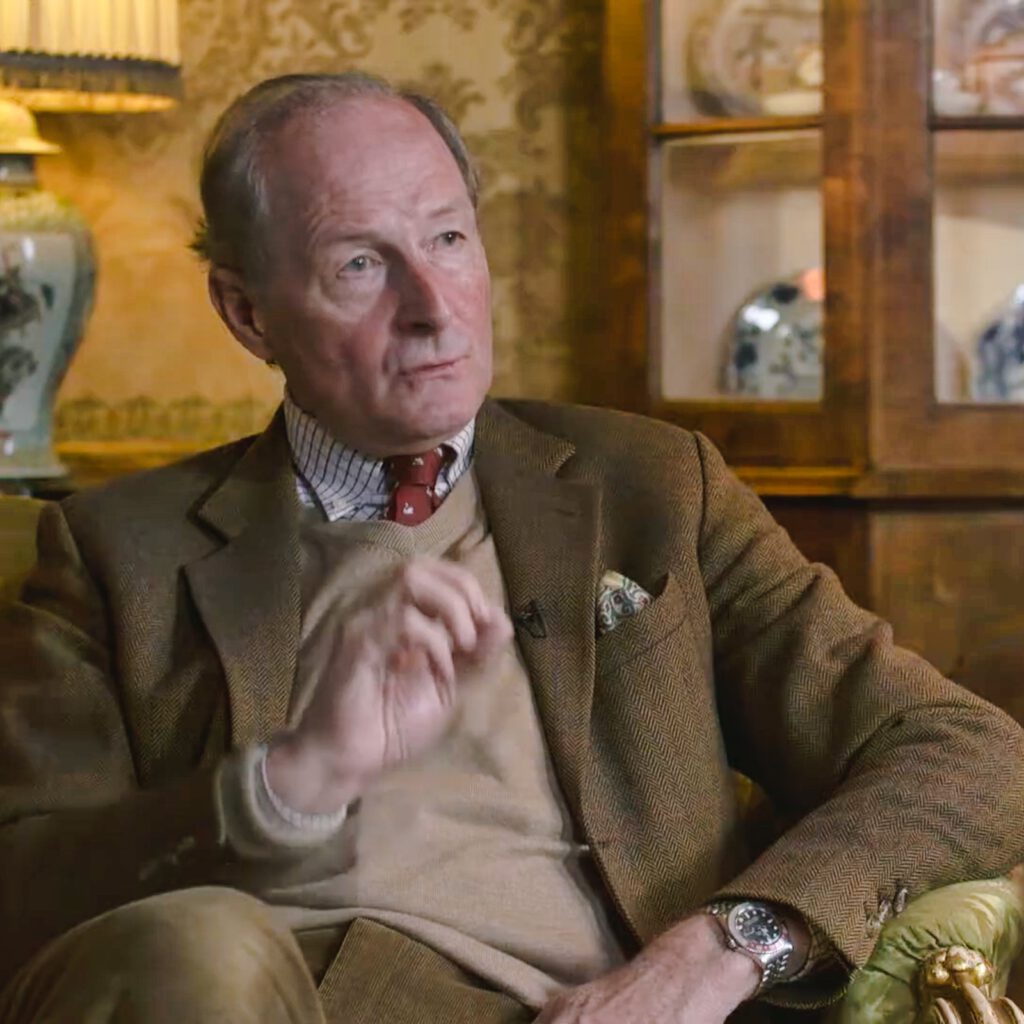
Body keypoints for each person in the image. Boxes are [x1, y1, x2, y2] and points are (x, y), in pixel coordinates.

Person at [0, 70, 1022, 1024]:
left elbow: (967, 749)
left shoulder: (653, 487)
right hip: (284, 999)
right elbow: (24, 889)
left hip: (598, 1006)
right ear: (247, 312)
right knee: (194, 943)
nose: (432, 308)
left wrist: (718, 951)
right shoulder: (116, 552)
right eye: (360, 264)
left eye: (448, 239)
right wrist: (284, 783)